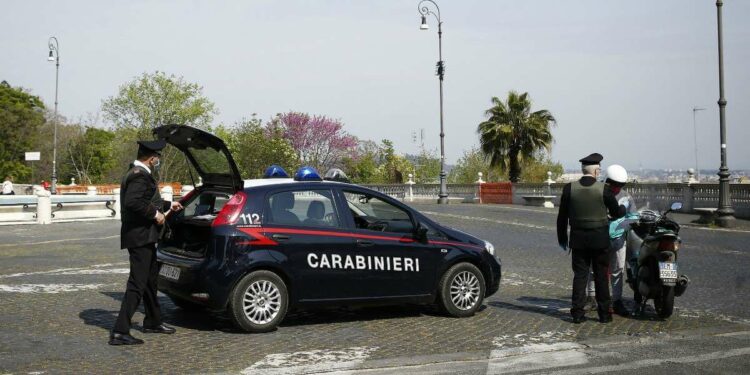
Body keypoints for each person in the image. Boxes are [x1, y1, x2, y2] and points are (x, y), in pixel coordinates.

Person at [110, 140, 183, 346]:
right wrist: (156, 214)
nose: (158, 161)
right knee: (137, 284)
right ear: (151, 158)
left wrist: (169, 204)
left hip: (144, 236)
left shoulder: (137, 173)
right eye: (157, 157)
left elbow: (146, 198)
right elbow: (133, 202)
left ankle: (153, 321)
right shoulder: (139, 175)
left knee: (151, 281)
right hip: (140, 236)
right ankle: (120, 331)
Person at [557, 153, 625, 324]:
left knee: (580, 276)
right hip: (600, 240)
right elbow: (616, 213)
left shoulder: (569, 189)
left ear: (583, 170)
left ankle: (577, 314)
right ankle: (604, 314)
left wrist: (562, 237)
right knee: (602, 276)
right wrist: (623, 210)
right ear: (596, 171)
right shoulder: (604, 189)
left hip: (578, 240)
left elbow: (562, 217)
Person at [584, 164, 637, 316]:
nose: (616, 188)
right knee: (593, 270)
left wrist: (621, 225)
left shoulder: (626, 197)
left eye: (620, 185)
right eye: (614, 184)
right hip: (598, 238)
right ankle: (591, 298)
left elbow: (633, 217)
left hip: (618, 239)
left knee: (617, 270)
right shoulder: (596, 193)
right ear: (606, 180)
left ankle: (617, 300)